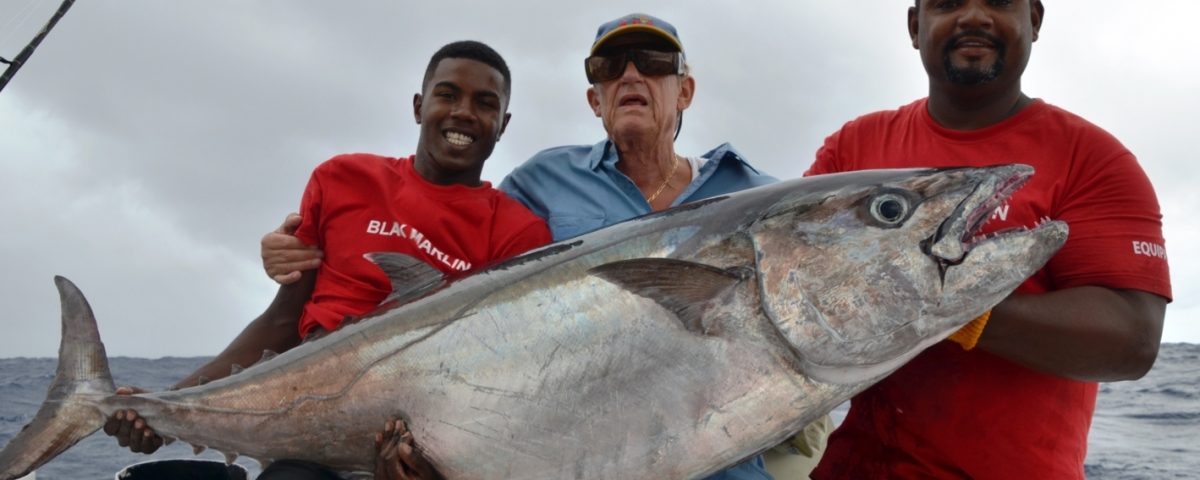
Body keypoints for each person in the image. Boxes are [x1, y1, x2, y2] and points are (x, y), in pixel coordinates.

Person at [263, 13, 830, 480]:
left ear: (684, 90)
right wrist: (302, 248)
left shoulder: (758, 196)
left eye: (653, 64)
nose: (631, 75)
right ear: (595, 98)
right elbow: (460, 261)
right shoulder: (542, 181)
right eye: (611, 67)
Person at [103, 40, 551, 480]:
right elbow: (282, 319)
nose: (464, 113)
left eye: (485, 103)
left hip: (427, 451)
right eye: (447, 95)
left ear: (503, 123)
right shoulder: (342, 179)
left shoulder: (520, 233)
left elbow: (504, 380)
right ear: (418, 106)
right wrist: (165, 407)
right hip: (311, 434)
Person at [806, 1, 1172, 478]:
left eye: (998, 2)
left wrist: (947, 307)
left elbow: (1132, 341)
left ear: (1034, 22)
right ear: (916, 27)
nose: (974, 17)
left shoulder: (1094, 159)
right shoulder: (853, 146)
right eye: (947, 3)